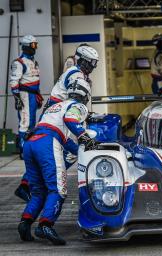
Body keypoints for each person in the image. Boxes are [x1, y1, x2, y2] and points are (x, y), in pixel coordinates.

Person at [17, 78, 98, 245]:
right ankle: (46, 225)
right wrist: (84, 136)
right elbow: (70, 119)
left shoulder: (55, 106)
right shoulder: (78, 106)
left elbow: (64, 138)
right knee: (58, 189)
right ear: (85, 95)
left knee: (39, 190)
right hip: (47, 143)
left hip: (31, 143)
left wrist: (80, 151)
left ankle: (25, 222)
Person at [14, 45, 99, 203]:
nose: (92, 67)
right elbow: (76, 99)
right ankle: (36, 184)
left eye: (94, 63)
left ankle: (27, 185)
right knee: (72, 151)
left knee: (60, 151)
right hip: (59, 117)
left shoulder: (75, 72)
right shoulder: (76, 75)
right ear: (82, 61)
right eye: (90, 63)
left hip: (55, 114)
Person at [9, 35, 43, 153]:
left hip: (33, 95)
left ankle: (30, 149)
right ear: (26, 46)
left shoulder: (34, 61)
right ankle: (23, 149)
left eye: (36, 44)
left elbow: (35, 79)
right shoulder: (19, 63)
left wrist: (38, 95)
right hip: (24, 95)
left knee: (32, 123)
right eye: (33, 45)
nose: (35, 47)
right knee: (25, 122)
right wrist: (17, 98)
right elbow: (14, 81)